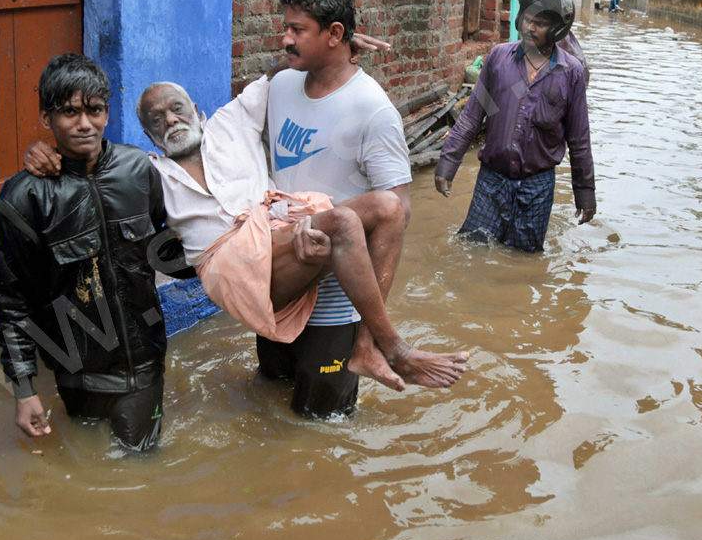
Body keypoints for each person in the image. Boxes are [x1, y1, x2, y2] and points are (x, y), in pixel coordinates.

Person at [136, 76, 466, 401]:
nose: (170, 120)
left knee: (388, 207)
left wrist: (340, 40)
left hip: (274, 233)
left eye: (176, 109)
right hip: (229, 265)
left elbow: (276, 69)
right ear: (149, 134)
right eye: (156, 119)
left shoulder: (230, 122)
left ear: (195, 109)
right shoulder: (150, 174)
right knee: (341, 223)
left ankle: (366, 348)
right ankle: (395, 349)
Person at [263, 0, 468, 416]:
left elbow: (398, 213)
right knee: (267, 400)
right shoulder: (280, 85)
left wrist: (367, 333)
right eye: (287, 27)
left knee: (321, 429)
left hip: (336, 306)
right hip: (280, 287)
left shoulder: (372, 110)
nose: (285, 39)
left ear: (334, 34)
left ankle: (373, 347)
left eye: (298, 30)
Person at [0, 53, 185, 451]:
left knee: (139, 465)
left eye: (94, 110)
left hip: (143, 363)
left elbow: (165, 250)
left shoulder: (138, 170)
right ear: (47, 118)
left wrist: (224, 250)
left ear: (107, 112)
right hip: (74, 373)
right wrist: (24, 389)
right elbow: (10, 299)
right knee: (84, 458)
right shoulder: (26, 196)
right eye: (69, 112)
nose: (84, 124)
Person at [434, 0, 596, 252]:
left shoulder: (571, 74)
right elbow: (472, 117)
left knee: (523, 263)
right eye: (527, 19)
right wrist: (448, 164)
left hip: (537, 187)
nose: (530, 28)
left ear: (557, 29)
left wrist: (585, 193)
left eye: (540, 23)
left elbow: (579, 140)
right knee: (471, 253)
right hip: (490, 182)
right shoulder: (498, 59)